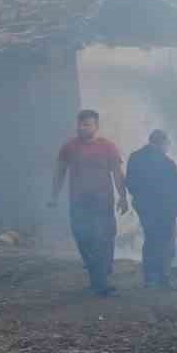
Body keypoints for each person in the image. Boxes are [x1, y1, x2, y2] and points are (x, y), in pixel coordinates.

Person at [49, 110, 128, 296]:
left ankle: (100, 282)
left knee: (103, 239)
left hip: (102, 202)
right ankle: (98, 277)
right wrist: (53, 196)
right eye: (80, 124)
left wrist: (123, 197)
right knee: (83, 238)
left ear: (96, 126)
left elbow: (117, 174)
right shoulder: (69, 147)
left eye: (87, 124)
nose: (82, 127)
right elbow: (59, 172)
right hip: (79, 202)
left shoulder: (108, 147)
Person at [126, 130, 177, 290]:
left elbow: (129, 182)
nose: (168, 147)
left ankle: (150, 279)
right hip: (165, 209)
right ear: (162, 143)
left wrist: (139, 198)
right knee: (166, 242)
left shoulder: (135, 157)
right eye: (167, 144)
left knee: (150, 240)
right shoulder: (165, 161)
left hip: (144, 208)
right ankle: (164, 277)